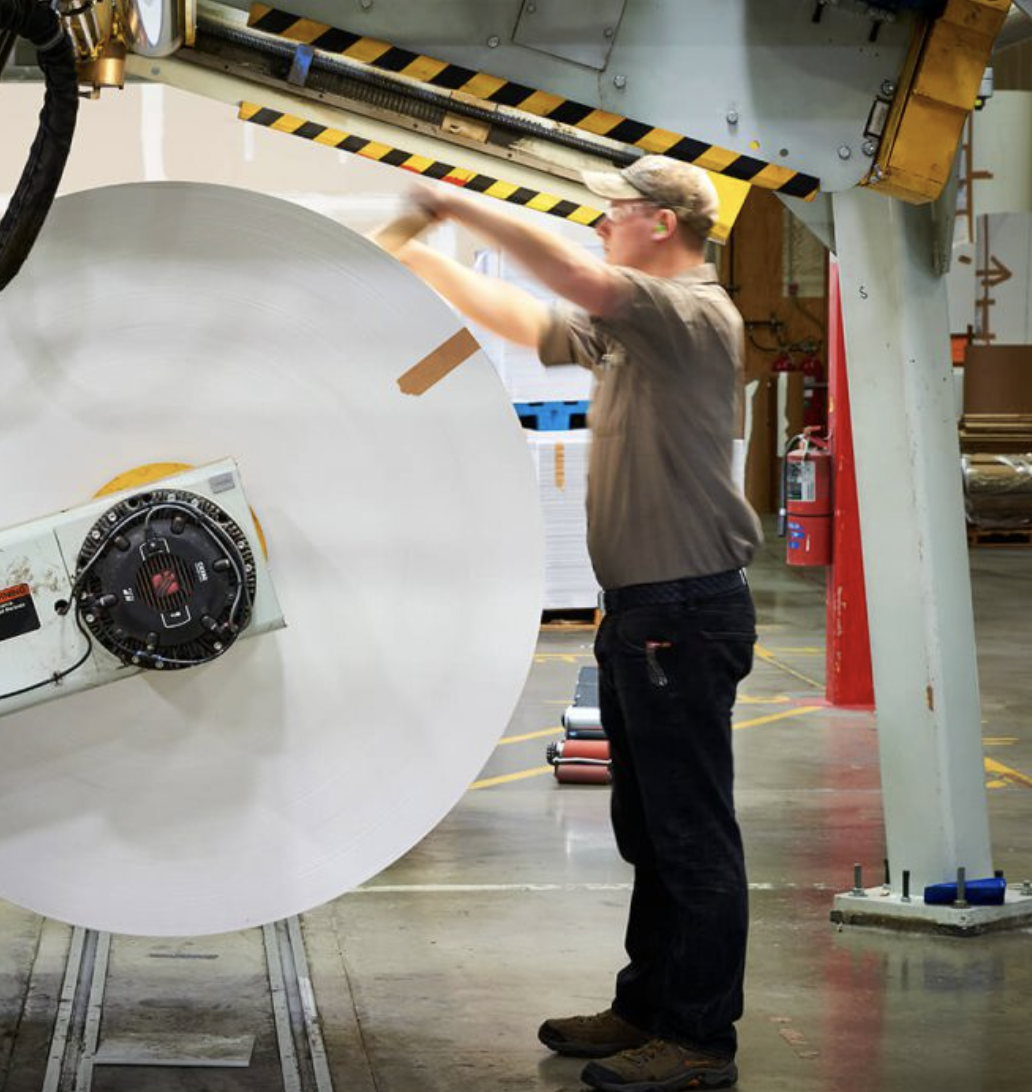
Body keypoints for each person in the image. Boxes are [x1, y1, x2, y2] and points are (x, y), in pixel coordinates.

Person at [382, 156, 760, 1092]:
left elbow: (575, 280)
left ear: (663, 223)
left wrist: (455, 201)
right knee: (646, 826)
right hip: (641, 610)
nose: (601, 223)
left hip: (684, 608)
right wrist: (427, 263)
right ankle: (648, 1004)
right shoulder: (631, 329)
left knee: (690, 831)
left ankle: (700, 1037)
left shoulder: (687, 313)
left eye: (614, 211)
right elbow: (531, 318)